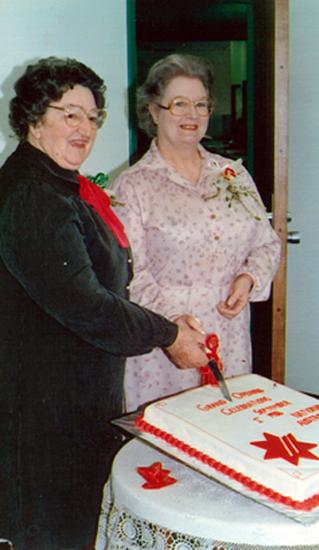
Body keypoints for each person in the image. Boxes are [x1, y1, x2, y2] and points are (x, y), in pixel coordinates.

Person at [0, 57, 208, 550]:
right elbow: (88, 304)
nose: (84, 128)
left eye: (92, 117)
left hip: (71, 400)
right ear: (33, 117)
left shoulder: (60, 185)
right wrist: (169, 334)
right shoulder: (33, 197)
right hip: (45, 414)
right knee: (55, 533)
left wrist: (163, 324)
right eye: (69, 113)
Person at [112, 54, 281, 412]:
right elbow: (130, 274)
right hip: (165, 342)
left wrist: (249, 278)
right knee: (169, 446)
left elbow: (267, 242)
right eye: (179, 104)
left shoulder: (233, 175)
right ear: (154, 111)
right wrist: (174, 327)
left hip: (229, 336)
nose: (192, 115)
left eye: (201, 104)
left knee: (225, 436)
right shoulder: (133, 187)